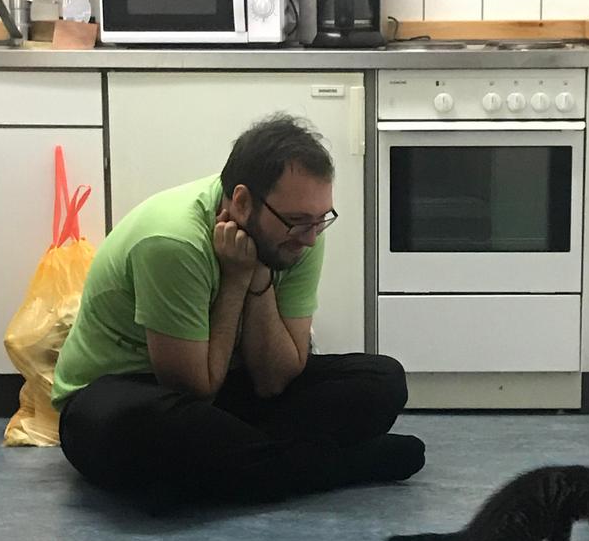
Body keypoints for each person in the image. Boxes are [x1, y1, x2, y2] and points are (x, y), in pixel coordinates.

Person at [52, 113, 425, 510]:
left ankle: (243, 463)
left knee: (382, 380)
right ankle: (340, 465)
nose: (311, 239)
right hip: (126, 394)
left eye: (320, 221)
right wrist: (235, 279)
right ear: (243, 203)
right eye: (298, 222)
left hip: (225, 387)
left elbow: (275, 380)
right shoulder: (173, 241)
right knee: (146, 429)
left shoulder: (302, 234)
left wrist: (258, 274)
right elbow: (195, 389)